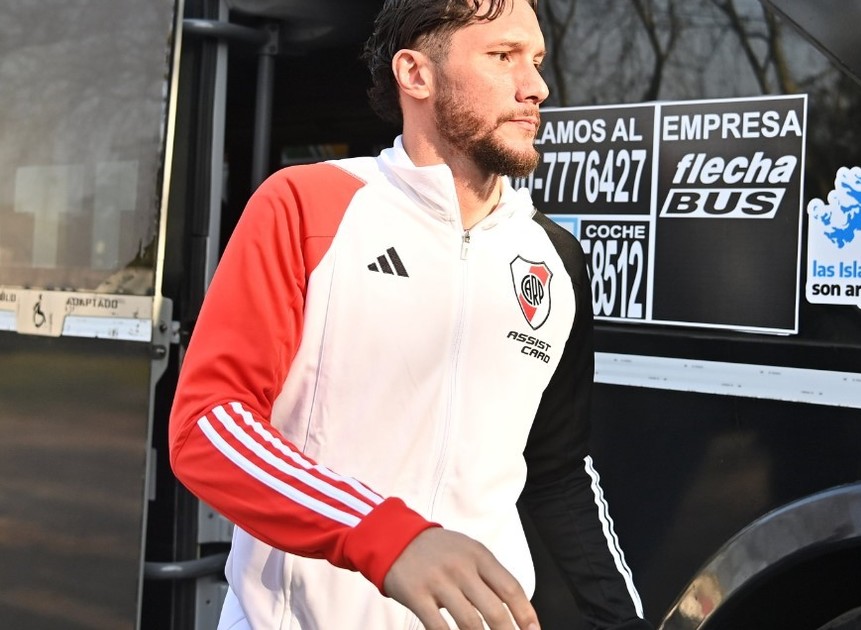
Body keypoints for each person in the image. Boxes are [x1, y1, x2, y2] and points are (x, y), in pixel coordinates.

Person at [168, 1, 652, 629]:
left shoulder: (555, 257)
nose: (536, 86)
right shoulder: (308, 205)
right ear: (416, 74)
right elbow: (208, 425)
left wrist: (621, 621)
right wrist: (385, 535)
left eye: (535, 60)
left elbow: (557, 471)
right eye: (502, 56)